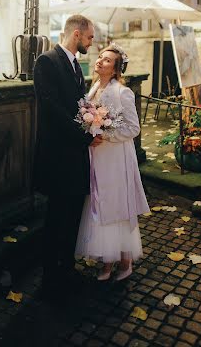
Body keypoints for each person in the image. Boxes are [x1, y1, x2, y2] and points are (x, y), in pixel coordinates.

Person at [33, 14, 102, 297]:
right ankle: (50, 278)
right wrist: (84, 135)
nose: (91, 42)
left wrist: (95, 121)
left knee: (73, 215)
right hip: (58, 156)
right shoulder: (46, 62)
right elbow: (52, 110)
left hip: (76, 156)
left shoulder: (76, 65)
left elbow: (78, 107)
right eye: (89, 37)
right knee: (56, 218)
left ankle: (67, 267)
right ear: (76, 34)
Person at [75, 44, 150, 281]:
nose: (99, 61)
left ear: (116, 69)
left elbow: (133, 128)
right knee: (100, 203)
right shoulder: (93, 88)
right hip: (97, 157)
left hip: (116, 158)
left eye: (106, 60)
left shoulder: (122, 92)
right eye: (100, 57)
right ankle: (110, 260)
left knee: (116, 206)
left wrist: (104, 135)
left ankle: (123, 262)